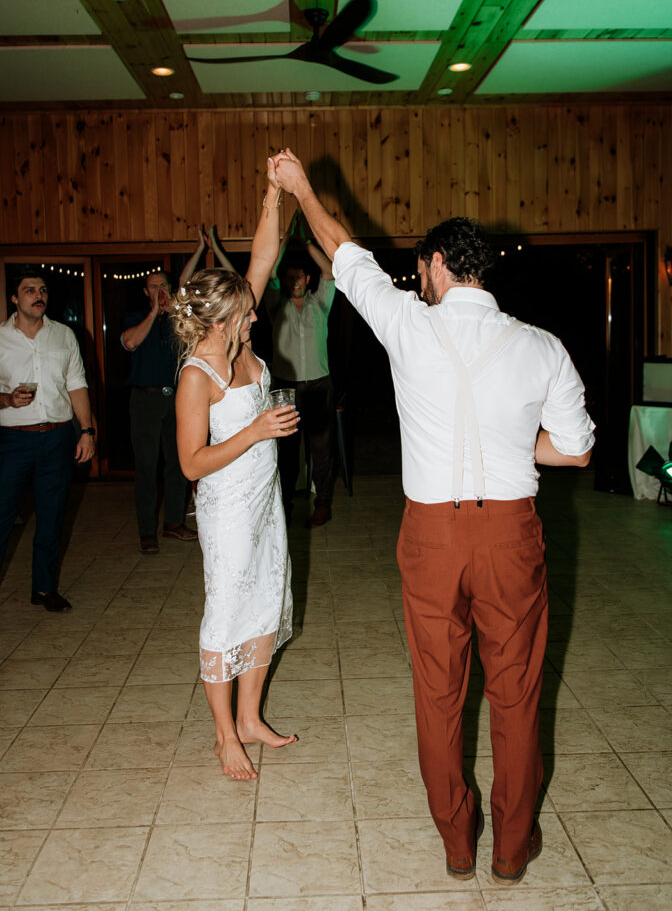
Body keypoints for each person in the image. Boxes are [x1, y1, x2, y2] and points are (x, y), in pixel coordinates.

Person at [272, 149, 595, 885]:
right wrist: (516, 445)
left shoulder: (409, 326)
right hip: (511, 531)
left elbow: (345, 255)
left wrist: (298, 189)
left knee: (439, 690)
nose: (418, 280)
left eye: (421, 269)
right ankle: (512, 849)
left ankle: (457, 841)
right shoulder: (543, 347)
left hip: (432, 536)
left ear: (440, 264)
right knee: (516, 692)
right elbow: (575, 452)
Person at [173, 162, 299, 781]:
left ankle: (251, 717)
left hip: (265, 500)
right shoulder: (199, 374)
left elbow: (265, 256)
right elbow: (191, 463)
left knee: (266, 603)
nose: (257, 318)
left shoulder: (241, 347)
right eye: (246, 316)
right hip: (225, 511)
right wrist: (255, 431)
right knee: (227, 612)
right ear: (221, 321)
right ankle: (225, 734)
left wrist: (271, 194)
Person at [0, 268, 96, 611]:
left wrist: (86, 431)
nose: (38, 295)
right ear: (15, 298)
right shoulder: (0, 339)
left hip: (56, 438)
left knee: (52, 517)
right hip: (12, 440)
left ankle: (43, 588)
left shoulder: (64, 335)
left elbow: (77, 383)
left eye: (42, 290)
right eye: (29, 290)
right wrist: (8, 400)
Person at [121, 234, 214, 553]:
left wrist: (201, 249)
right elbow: (131, 342)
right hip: (144, 401)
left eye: (164, 286)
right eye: (154, 287)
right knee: (146, 467)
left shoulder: (179, 319)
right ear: (146, 292)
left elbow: (186, 282)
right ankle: (147, 531)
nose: (160, 292)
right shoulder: (135, 318)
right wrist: (153, 312)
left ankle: (174, 522)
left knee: (178, 461)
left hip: (176, 399)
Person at [264, 211, 336, 527]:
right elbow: (267, 272)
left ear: (307, 280)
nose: (295, 281)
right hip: (286, 387)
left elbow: (330, 270)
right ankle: (286, 507)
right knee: (288, 453)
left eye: (300, 277)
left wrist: (306, 242)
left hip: (319, 385)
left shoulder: (320, 302)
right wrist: (285, 240)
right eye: (290, 277)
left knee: (321, 450)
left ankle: (322, 506)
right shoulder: (275, 305)